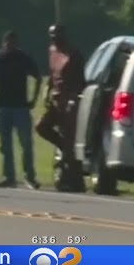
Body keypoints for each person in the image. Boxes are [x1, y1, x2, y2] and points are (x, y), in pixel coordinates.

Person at [0, 30, 42, 189]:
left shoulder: (24, 58)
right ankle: (9, 177)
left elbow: (38, 77)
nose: (11, 46)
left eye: (14, 43)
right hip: (2, 106)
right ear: (4, 43)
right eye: (9, 43)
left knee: (26, 143)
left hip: (21, 107)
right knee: (5, 144)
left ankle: (30, 177)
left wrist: (33, 99)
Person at [35, 24, 86, 192]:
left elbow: (81, 81)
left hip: (70, 101)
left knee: (70, 142)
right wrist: (47, 92)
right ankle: (63, 147)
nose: (54, 38)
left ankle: (74, 181)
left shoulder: (74, 54)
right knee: (41, 126)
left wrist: (74, 99)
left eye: (57, 35)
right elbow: (52, 75)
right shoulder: (52, 51)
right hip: (56, 100)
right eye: (52, 35)